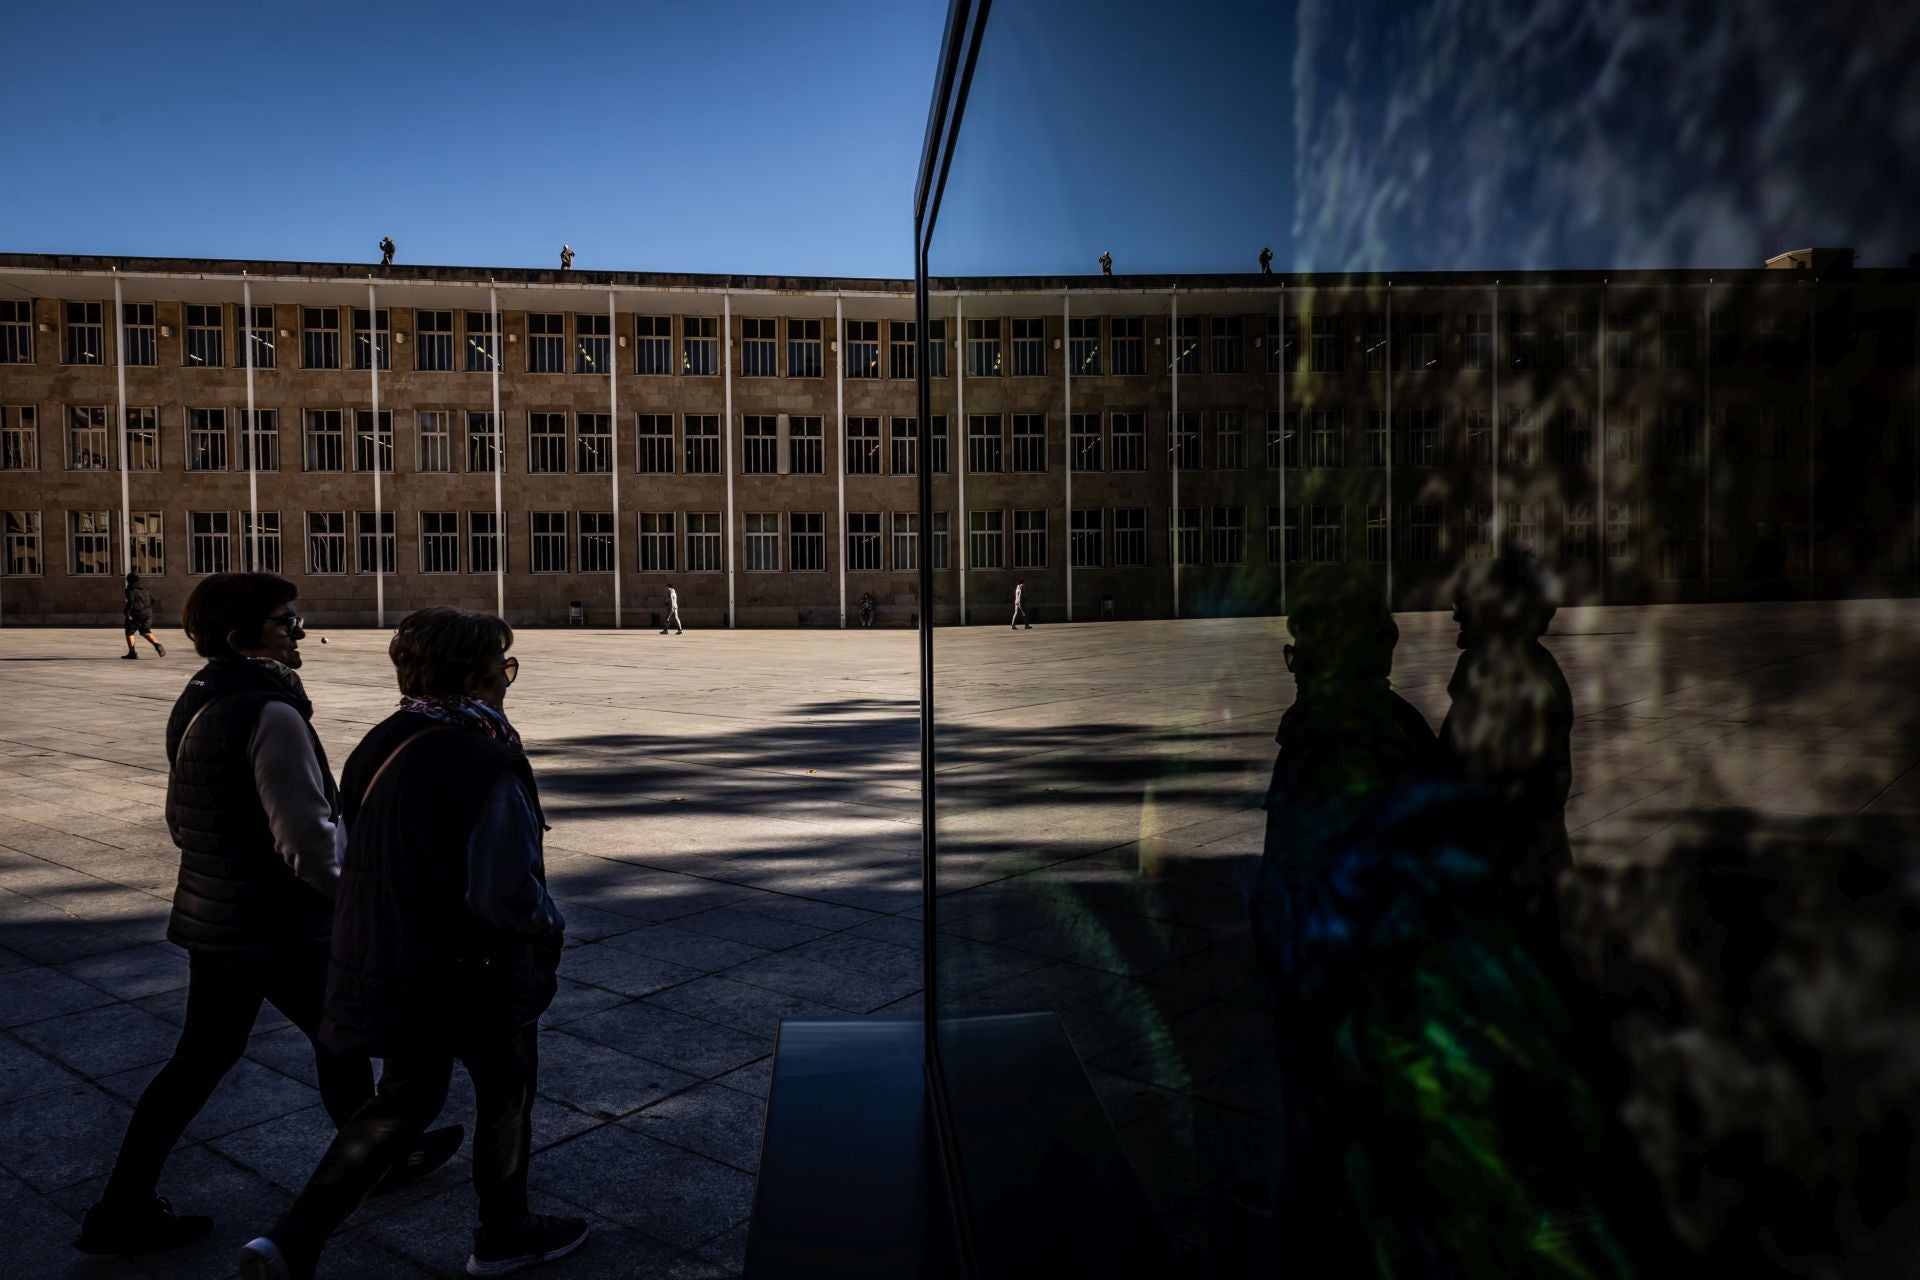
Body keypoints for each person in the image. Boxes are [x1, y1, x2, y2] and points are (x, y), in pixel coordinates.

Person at [76, 574, 458, 1258]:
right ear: (239, 637)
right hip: (276, 921)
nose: (298, 630)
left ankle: (122, 1205)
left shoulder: (201, 697)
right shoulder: (270, 712)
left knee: (208, 1057)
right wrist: (360, 909)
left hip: (217, 913)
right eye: (284, 622)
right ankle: (380, 1155)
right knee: (338, 1037)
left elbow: (181, 818)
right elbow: (307, 839)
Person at [238, 607, 580, 1280]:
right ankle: (504, 1231)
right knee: (506, 1093)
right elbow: (504, 892)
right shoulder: (487, 758)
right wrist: (549, 926)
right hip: (478, 967)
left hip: (402, 957)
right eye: (501, 667)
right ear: (478, 676)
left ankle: (289, 1241)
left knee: (401, 1101)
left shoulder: (382, 738)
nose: (507, 680)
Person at [123, 570, 165, 659]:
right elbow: (153, 600)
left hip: (136, 613)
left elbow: (130, 602)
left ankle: (132, 653)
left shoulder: (130, 589)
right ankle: (157, 645)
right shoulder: (145, 589)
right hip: (148, 613)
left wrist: (127, 613)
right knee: (145, 631)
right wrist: (146, 608)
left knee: (129, 631)